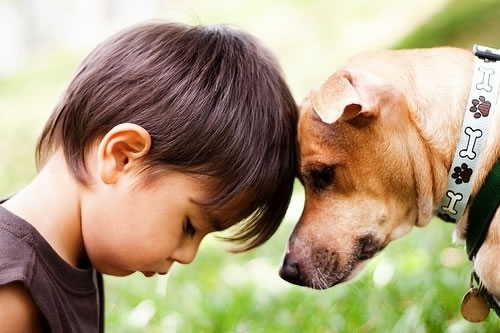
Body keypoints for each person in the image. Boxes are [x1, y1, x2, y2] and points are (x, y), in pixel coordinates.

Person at [0, 21, 297, 332]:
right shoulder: (11, 286)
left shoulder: (72, 252)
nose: (187, 256)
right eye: (189, 226)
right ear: (122, 156)